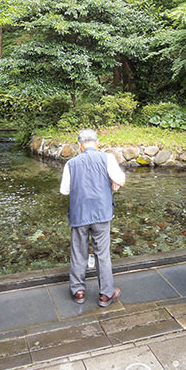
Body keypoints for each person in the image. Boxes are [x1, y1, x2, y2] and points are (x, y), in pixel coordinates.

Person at [59, 128, 125, 307]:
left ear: (80, 145)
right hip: (102, 214)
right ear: (96, 143)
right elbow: (120, 179)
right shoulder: (107, 158)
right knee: (102, 254)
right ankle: (105, 295)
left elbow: (64, 191)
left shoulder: (71, 164)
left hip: (79, 214)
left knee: (78, 253)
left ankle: (78, 292)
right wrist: (114, 183)